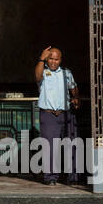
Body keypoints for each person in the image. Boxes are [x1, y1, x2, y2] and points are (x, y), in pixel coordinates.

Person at [34, 45, 80, 186]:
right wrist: (41, 59)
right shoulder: (43, 72)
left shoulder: (66, 73)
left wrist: (76, 97)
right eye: (50, 59)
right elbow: (37, 75)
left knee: (71, 145)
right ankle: (51, 177)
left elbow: (74, 88)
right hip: (49, 115)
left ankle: (72, 177)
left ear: (61, 60)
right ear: (47, 59)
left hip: (66, 114)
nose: (53, 62)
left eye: (56, 59)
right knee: (50, 147)